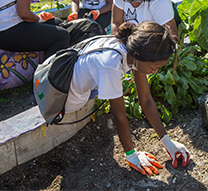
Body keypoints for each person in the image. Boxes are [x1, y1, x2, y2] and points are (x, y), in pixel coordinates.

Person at [51, 21, 190, 174]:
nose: (155, 72)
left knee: (109, 82)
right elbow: (119, 115)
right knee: (109, 83)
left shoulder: (134, 47)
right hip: (64, 98)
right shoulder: (111, 64)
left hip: (67, 74)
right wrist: (132, 155)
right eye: (153, 67)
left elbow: (146, 100)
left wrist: (167, 141)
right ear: (138, 55)